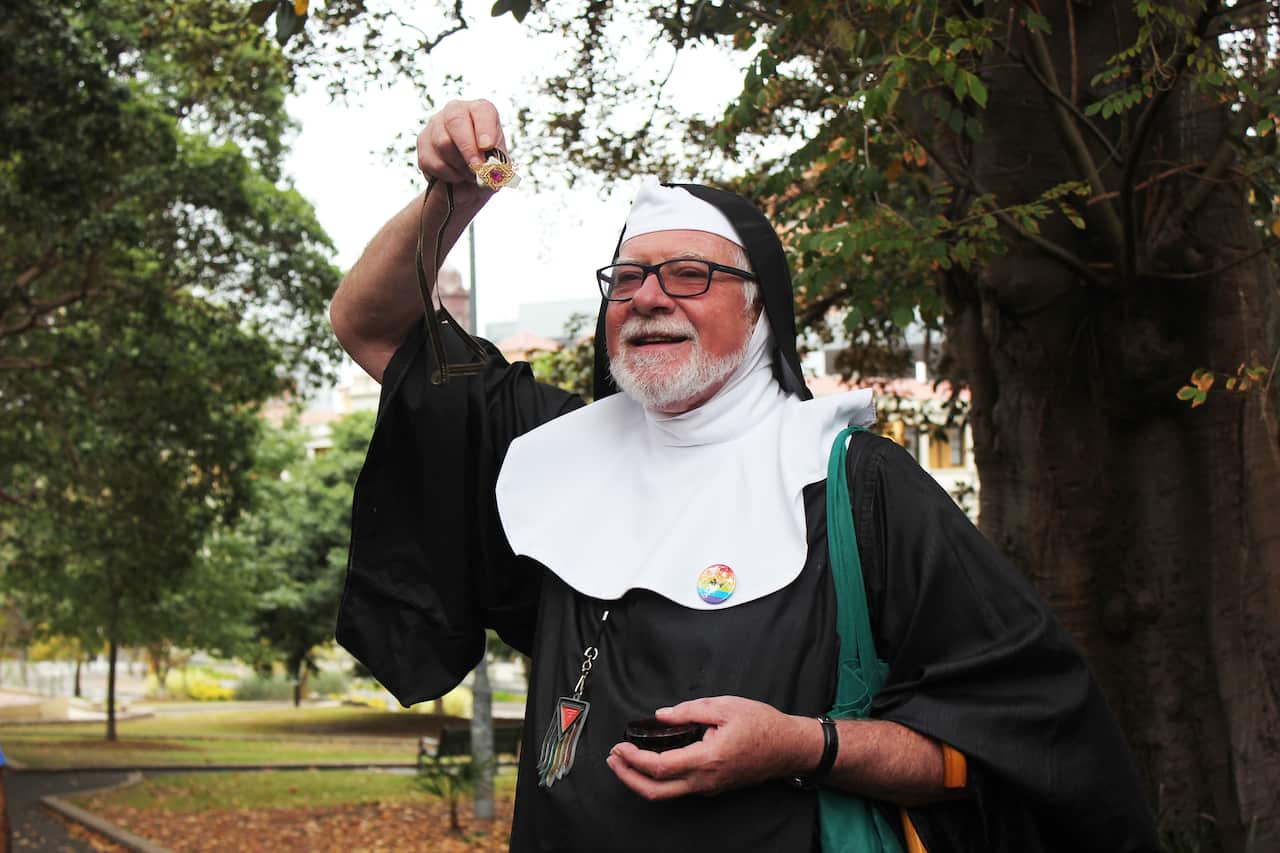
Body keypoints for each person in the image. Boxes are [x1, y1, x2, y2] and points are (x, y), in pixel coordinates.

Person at [331, 99, 1159, 852]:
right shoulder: (555, 448)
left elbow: (1011, 742)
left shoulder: (857, 486)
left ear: (762, 310)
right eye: (627, 278)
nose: (648, 297)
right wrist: (451, 198)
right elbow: (372, 325)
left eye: (690, 274)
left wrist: (803, 745)